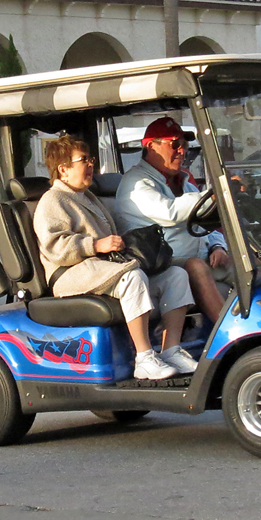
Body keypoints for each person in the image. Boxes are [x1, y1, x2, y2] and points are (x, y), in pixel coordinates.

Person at [33, 135, 197, 380]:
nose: (91, 165)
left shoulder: (88, 197)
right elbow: (55, 246)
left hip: (98, 268)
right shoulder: (53, 200)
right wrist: (95, 244)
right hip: (71, 273)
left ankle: (171, 349)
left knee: (175, 275)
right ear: (63, 169)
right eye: (83, 160)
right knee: (132, 276)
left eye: (91, 159)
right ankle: (144, 357)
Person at [117, 117, 232, 324]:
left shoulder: (183, 182)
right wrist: (214, 196)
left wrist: (218, 245)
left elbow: (204, 221)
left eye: (185, 145)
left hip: (198, 255)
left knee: (248, 260)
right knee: (195, 267)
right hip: (159, 262)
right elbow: (170, 213)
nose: (182, 151)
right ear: (151, 146)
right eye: (175, 144)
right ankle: (231, 335)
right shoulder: (136, 183)